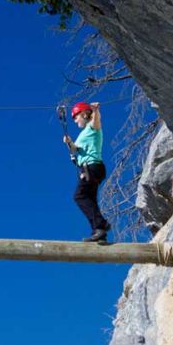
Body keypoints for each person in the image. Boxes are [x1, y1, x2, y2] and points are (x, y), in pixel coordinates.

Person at [63, 101, 110, 242]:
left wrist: (95, 111)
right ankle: (99, 232)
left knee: (80, 196)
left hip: (92, 167)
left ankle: (101, 225)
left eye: (76, 117)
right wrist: (69, 143)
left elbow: (96, 122)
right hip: (91, 169)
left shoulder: (92, 127)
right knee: (90, 199)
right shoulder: (83, 134)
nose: (75, 120)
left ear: (84, 114)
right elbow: (75, 150)